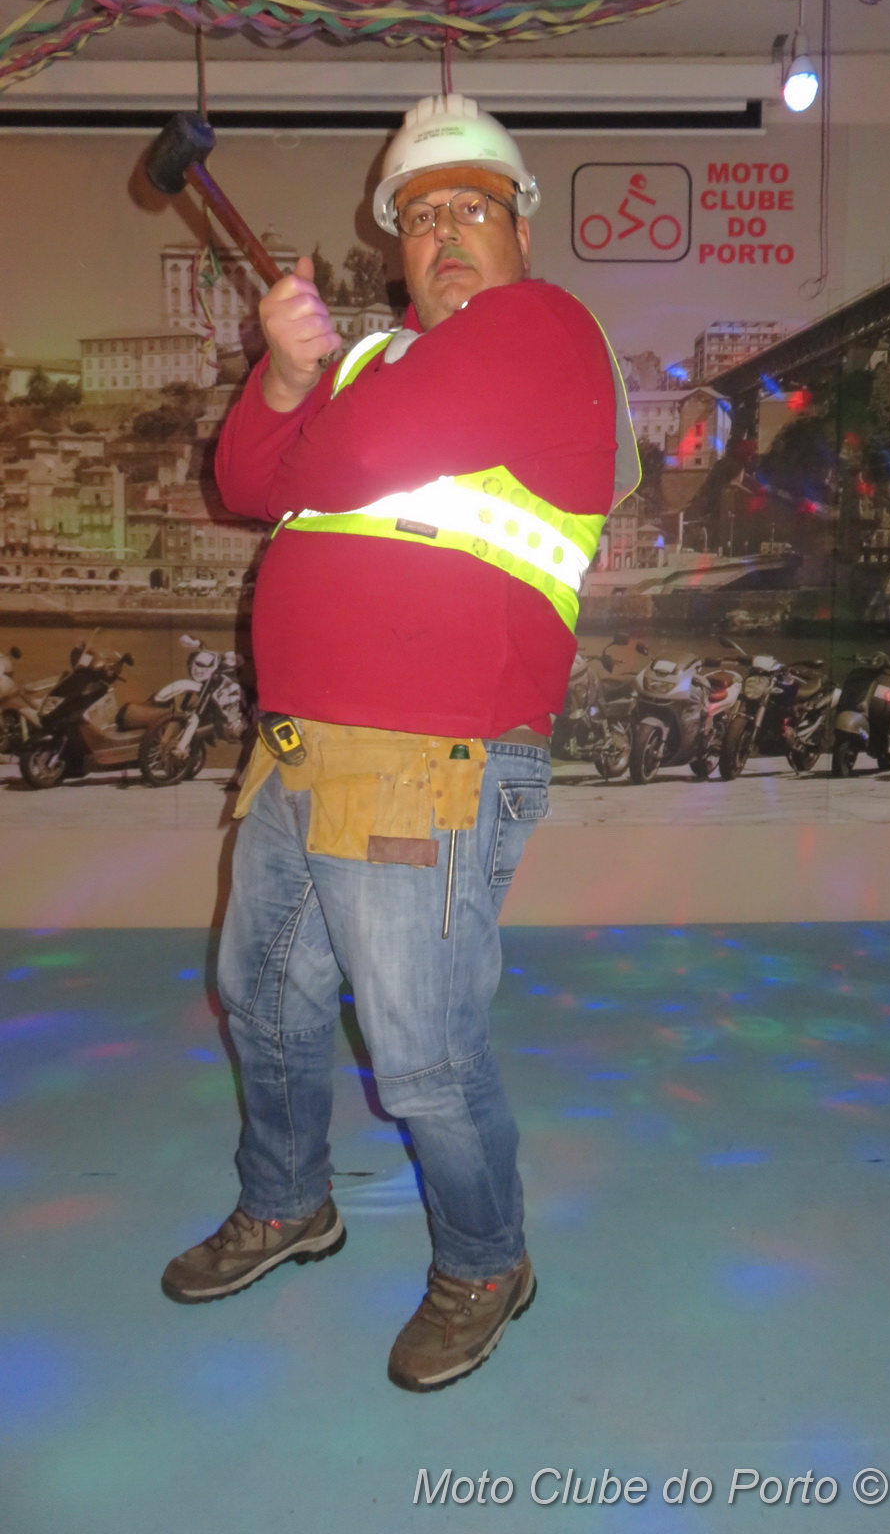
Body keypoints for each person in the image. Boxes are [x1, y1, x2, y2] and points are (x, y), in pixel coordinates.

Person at [161, 93, 638, 1391]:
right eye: (420, 217)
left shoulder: (542, 328)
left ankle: (487, 1261)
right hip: (300, 752)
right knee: (263, 998)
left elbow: (346, 455)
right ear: (394, 246)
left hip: (432, 764)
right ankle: (287, 1202)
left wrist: (318, 403)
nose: (446, 233)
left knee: (422, 1056)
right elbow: (247, 483)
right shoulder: (373, 361)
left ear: (521, 225)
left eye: (473, 205)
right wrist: (286, 374)